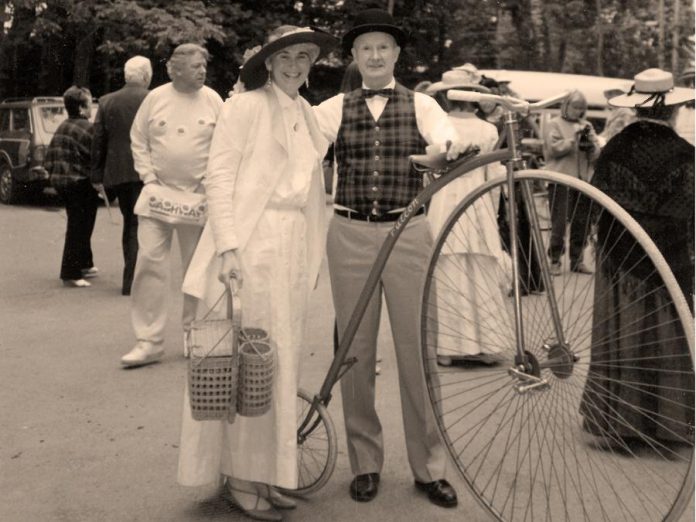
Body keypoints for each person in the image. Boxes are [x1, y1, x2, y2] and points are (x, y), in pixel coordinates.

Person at [313, 8, 470, 508]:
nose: (375, 56)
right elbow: (292, 147)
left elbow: (448, 140)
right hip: (349, 232)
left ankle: (429, 467)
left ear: (396, 54)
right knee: (355, 351)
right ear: (354, 57)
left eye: (383, 47)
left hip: (408, 231)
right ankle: (365, 462)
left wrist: (442, 151)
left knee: (416, 349)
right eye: (365, 49)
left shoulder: (422, 105)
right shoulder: (331, 108)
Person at [179, 26, 336, 521]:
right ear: (267, 63)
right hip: (250, 246)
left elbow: (313, 188)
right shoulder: (244, 107)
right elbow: (219, 176)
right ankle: (241, 477)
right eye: (285, 57)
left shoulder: (307, 114)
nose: (294, 65)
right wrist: (227, 247)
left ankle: (267, 471)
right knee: (248, 360)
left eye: (303, 57)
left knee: (278, 362)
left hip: (290, 247)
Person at [580, 67, 694, 445]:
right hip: (671, 258)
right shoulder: (685, 153)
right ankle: (669, 423)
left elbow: (597, 201)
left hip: (621, 257)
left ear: (637, 108)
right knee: (667, 333)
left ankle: (621, 422)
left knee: (622, 330)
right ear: (673, 111)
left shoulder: (616, 148)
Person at [120, 43, 223, 368]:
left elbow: (224, 147)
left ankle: (195, 336)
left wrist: (208, 185)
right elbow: (139, 139)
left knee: (197, 272)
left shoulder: (214, 100)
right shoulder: (155, 98)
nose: (202, 71)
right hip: (159, 196)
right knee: (149, 265)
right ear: (173, 69)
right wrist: (148, 178)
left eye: (203, 65)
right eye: (195, 66)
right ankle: (148, 342)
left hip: (197, 198)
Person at [425, 68, 507, 367]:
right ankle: (485, 344)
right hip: (478, 202)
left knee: (446, 269)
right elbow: (493, 176)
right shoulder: (488, 130)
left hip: (445, 201)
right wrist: (493, 210)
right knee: (480, 269)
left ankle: (447, 346)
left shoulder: (438, 125)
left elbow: (430, 171)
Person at [90, 56, 152, 296]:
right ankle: (137, 280)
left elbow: (99, 140)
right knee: (143, 225)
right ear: (145, 76)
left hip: (118, 172)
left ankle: (131, 280)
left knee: (130, 223)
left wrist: (96, 174)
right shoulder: (153, 99)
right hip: (147, 172)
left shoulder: (106, 102)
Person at [45, 86, 99, 288]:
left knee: (80, 222)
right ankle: (71, 272)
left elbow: (50, 156)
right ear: (82, 107)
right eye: (90, 102)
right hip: (80, 183)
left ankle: (85, 263)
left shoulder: (63, 126)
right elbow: (95, 157)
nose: (92, 107)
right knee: (79, 226)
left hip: (62, 182)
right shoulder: (88, 128)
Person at [542, 89, 601, 276]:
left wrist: (591, 142)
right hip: (560, 179)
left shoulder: (586, 125)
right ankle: (555, 259)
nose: (578, 112)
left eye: (582, 108)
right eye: (575, 107)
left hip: (582, 180)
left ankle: (577, 260)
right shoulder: (553, 124)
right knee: (558, 223)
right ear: (566, 106)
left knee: (581, 222)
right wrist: (572, 139)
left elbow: (595, 156)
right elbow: (553, 150)